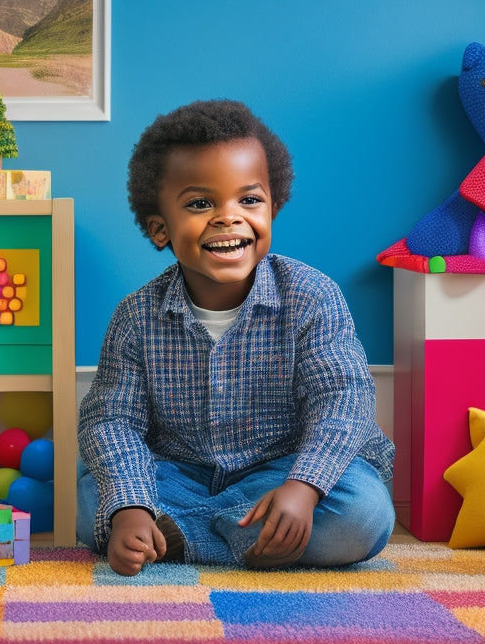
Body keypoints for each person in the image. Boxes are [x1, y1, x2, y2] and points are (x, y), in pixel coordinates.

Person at [77, 99, 395, 576]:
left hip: (284, 474)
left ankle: (179, 537)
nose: (229, 217)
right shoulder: (135, 316)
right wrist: (130, 509)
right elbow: (111, 420)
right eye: (200, 203)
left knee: (365, 512)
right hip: (180, 477)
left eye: (249, 200)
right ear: (160, 228)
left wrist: (304, 487)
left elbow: (343, 398)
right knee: (90, 501)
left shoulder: (311, 295)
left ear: (273, 205)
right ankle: (206, 533)